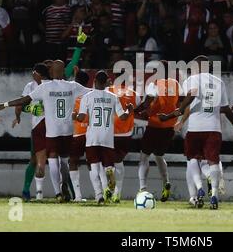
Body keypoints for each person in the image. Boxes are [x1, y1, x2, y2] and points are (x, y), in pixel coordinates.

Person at [0, 60, 90, 202]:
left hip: (52, 130)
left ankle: (57, 193)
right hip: (68, 130)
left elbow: (24, 100)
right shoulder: (73, 86)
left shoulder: (45, 87)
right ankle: (65, 184)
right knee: (64, 160)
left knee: (51, 158)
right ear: (63, 71)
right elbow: (92, 93)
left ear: (51, 72)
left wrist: (5, 104)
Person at [159, 56, 233, 209]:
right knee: (213, 161)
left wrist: (179, 113)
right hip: (214, 128)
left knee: (192, 159)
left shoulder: (192, 79)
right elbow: (226, 108)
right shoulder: (219, 82)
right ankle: (214, 195)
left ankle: (199, 188)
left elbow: (191, 98)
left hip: (195, 128)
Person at [75, 71, 133, 203]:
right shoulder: (113, 97)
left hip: (92, 137)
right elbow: (123, 117)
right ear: (107, 81)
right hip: (107, 137)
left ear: (94, 80)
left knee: (94, 167)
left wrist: (75, 116)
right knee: (108, 165)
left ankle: (99, 195)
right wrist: (129, 109)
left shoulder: (87, 97)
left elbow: (81, 118)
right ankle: (109, 171)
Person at [134, 61, 182, 202]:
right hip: (169, 126)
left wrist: (136, 111)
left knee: (144, 157)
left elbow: (147, 103)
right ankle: (166, 181)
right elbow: (180, 105)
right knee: (159, 155)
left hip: (155, 125)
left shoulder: (154, 83)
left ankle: (142, 189)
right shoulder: (176, 84)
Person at [13, 63, 50, 201]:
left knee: (41, 160)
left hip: (43, 127)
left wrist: (20, 115)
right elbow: (21, 106)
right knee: (55, 160)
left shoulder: (36, 86)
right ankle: (27, 191)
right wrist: (29, 110)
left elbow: (20, 106)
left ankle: (29, 191)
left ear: (36, 73)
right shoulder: (32, 86)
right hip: (47, 127)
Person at [107, 73, 140, 203]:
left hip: (109, 132)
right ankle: (117, 193)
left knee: (107, 162)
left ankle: (107, 188)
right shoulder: (133, 93)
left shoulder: (107, 90)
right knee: (119, 161)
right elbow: (137, 106)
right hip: (125, 133)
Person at [69, 70, 91, 202]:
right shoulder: (92, 93)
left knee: (73, 162)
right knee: (93, 163)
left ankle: (77, 196)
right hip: (91, 133)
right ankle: (99, 194)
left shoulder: (71, 94)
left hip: (77, 134)